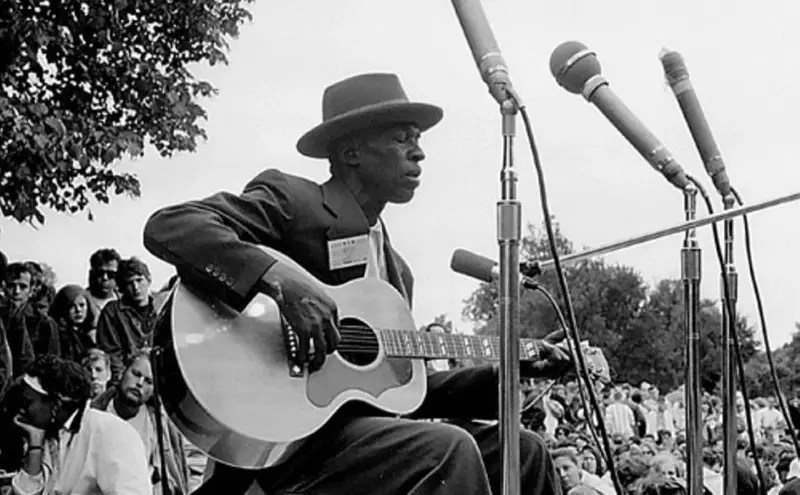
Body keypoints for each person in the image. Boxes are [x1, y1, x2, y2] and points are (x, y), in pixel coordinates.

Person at [143, 72, 570, 494]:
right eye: (401, 138)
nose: (419, 152)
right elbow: (172, 225)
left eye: (418, 139)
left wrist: (508, 367)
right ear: (351, 152)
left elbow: (401, 391)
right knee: (444, 449)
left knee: (524, 451)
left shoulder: (398, 273)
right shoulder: (296, 201)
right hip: (290, 447)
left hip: (363, 442)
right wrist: (279, 281)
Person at [10, 354, 151, 494]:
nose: (22, 409)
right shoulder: (45, 434)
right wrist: (35, 444)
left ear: (56, 404)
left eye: (28, 401)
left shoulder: (112, 433)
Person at [91, 350, 189, 495]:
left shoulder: (158, 423)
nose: (140, 383)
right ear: (123, 372)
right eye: (136, 374)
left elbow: (172, 475)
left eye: (149, 381)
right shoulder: (95, 414)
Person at [96, 257, 157, 379]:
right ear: (123, 286)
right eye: (130, 283)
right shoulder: (112, 312)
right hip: (126, 376)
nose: (136, 287)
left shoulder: (161, 307)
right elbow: (111, 353)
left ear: (149, 280)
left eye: (139, 280)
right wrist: (121, 379)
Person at [49, 285, 97, 363]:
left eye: (82, 305)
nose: (78, 310)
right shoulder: (57, 335)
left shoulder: (91, 335)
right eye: (71, 306)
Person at [85, 248, 121, 325]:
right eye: (99, 273)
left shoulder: (124, 302)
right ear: (92, 274)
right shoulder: (81, 303)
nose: (105, 278)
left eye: (111, 274)